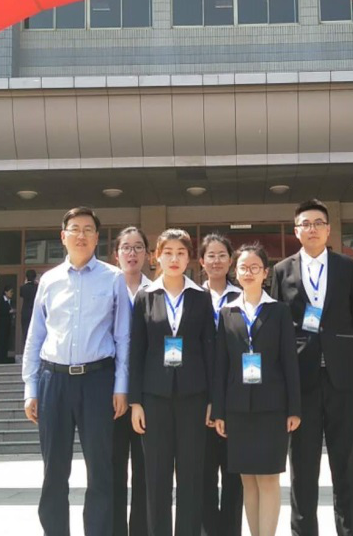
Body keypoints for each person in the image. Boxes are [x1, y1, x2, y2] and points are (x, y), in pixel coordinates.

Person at [22, 206, 131, 536]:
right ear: (63, 236)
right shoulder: (49, 280)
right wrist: (31, 388)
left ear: (97, 238)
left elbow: (123, 336)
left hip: (98, 381)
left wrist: (121, 386)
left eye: (88, 229)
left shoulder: (113, 278)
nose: (81, 235)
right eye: (75, 229)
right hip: (53, 381)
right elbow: (35, 336)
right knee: (54, 471)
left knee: (101, 470)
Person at [270, 199, 353, 536]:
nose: (312, 229)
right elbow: (277, 325)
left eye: (318, 223)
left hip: (342, 378)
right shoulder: (281, 270)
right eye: (305, 224)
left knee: (346, 464)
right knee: (302, 467)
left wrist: (339, 349)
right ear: (296, 231)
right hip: (301, 379)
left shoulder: (346, 267)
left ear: (328, 230)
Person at [129, 228, 215, 536]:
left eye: (180, 253)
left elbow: (210, 349)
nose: (174, 258)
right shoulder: (145, 297)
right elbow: (136, 351)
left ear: (189, 258)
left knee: (191, 477)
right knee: (156, 478)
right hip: (154, 398)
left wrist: (212, 400)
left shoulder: (201, 297)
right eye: (168, 253)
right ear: (156, 257)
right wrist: (135, 402)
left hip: (194, 397)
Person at [213, 243, 302, 536]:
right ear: (235, 272)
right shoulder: (227, 312)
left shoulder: (279, 311)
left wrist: (294, 408)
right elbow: (221, 365)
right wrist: (219, 410)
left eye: (255, 267)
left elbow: (289, 362)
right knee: (247, 480)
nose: (248, 272)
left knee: (268, 479)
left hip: (272, 408)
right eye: (243, 267)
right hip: (238, 408)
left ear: (265, 272)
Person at [199, 233, 244, 536]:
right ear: (201, 261)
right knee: (202, 476)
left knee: (233, 476)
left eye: (222, 255)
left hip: (235, 397)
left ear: (231, 261)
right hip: (199, 399)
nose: (216, 261)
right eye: (210, 255)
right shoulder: (191, 296)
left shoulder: (243, 297)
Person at [113, 227, 151, 536]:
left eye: (138, 247)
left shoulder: (157, 291)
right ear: (116, 254)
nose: (132, 253)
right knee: (112, 471)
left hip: (146, 396)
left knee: (145, 472)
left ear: (148, 255)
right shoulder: (106, 289)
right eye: (126, 247)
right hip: (110, 394)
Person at [0, 283, 16, 363]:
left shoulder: (9, 301)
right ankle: (0, 358)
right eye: (10, 292)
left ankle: (4, 357)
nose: (11, 293)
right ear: (6, 292)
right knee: (2, 341)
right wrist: (9, 311)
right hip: (3, 324)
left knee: (6, 341)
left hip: (7, 324)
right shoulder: (2, 300)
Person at [20, 269, 39, 349]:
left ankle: (26, 349)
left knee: (25, 332)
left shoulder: (23, 288)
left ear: (26, 277)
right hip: (35, 312)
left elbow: (21, 294)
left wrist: (25, 284)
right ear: (35, 277)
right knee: (35, 332)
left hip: (25, 312)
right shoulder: (37, 288)